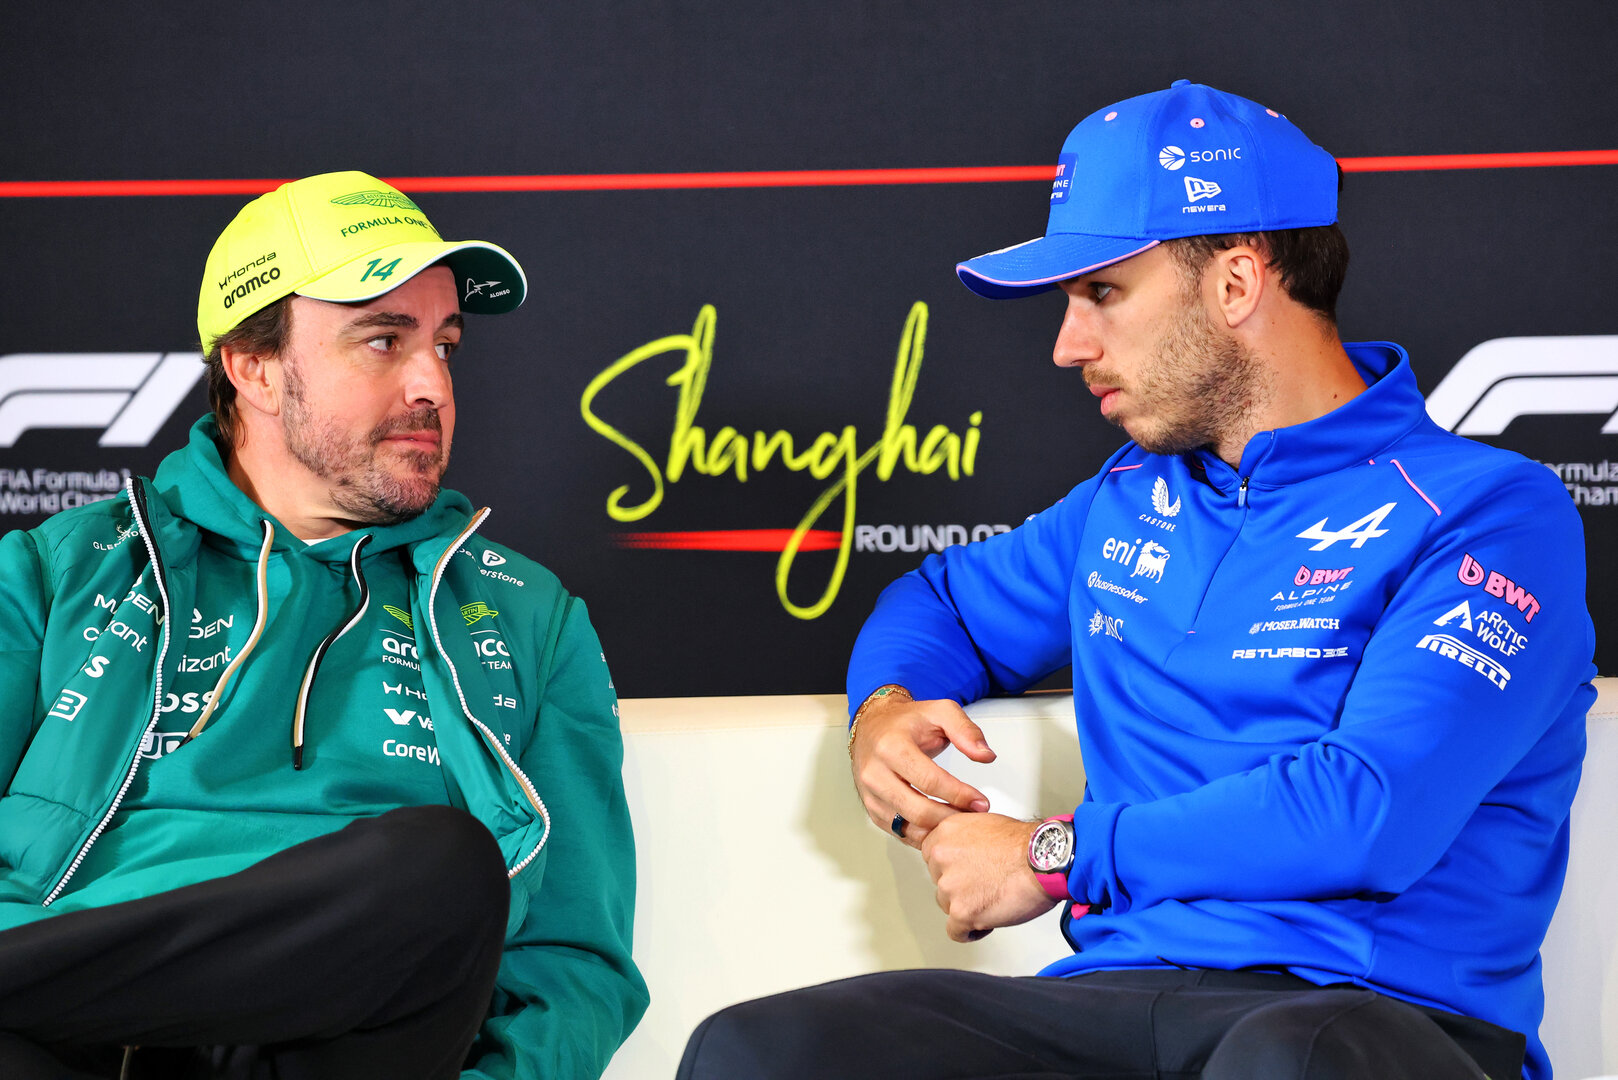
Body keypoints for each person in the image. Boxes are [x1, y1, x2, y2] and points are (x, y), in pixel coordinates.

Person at [678, 81, 1594, 1080]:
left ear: (1237, 282)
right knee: (760, 1052)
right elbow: (936, 605)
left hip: (1376, 1015)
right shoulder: (1126, 499)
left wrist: (1052, 854)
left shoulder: (1489, 511)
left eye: (1101, 293)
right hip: (1116, 1001)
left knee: (1292, 1061)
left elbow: (1363, 817)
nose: (1068, 344)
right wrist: (884, 711)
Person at [0, 171, 647, 1079]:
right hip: (69, 1045)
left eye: (445, 345)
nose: (432, 383)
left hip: (349, 1053)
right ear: (254, 367)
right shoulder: (54, 573)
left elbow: (577, 964)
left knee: (444, 872)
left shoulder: (528, 617)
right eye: (384, 339)